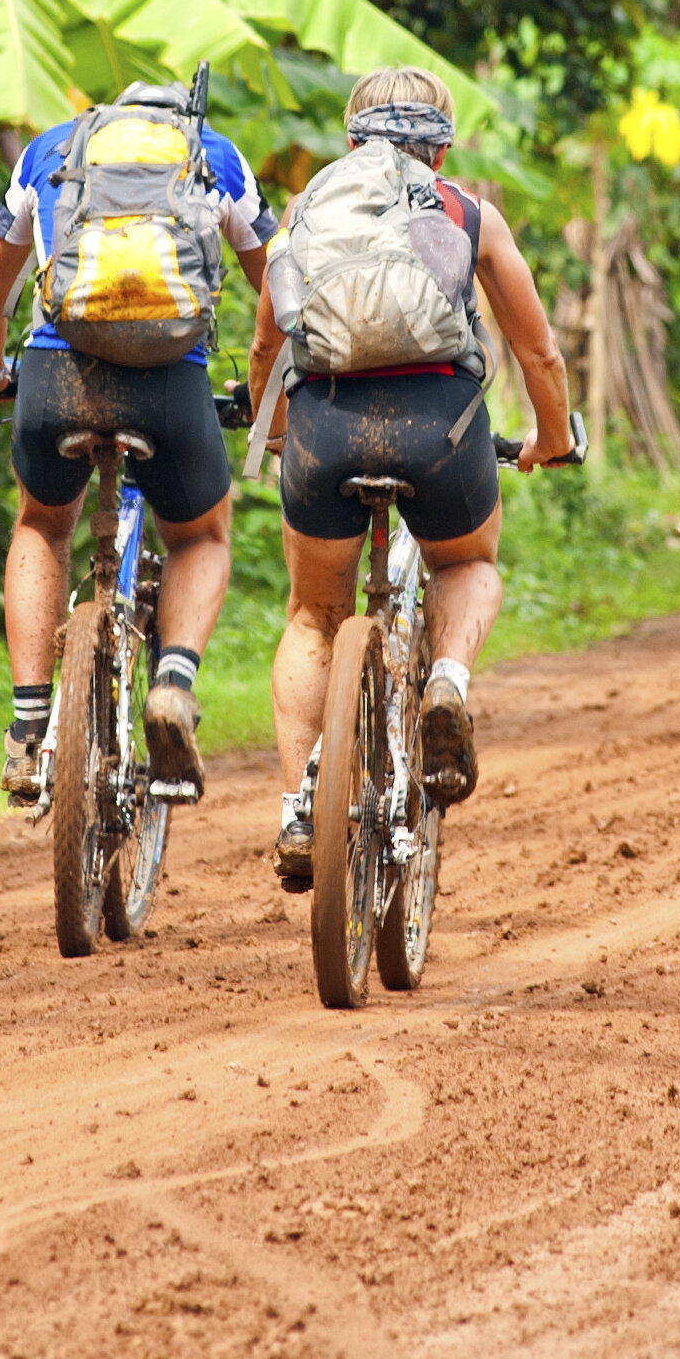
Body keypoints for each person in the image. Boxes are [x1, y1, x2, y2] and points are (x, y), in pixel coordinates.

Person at [241, 67, 577, 891]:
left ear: (352, 142)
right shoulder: (470, 213)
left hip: (326, 424)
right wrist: (553, 439)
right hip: (442, 428)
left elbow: (263, 350)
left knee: (315, 616)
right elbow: (538, 351)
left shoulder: (307, 210)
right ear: (443, 146)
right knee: (465, 562)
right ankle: (449, 684)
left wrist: (280, 438)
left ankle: (298, 806)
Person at [0, 81, 273, 810]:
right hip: (171, 387)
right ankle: (172, 685)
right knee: (200, 538)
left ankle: (30, 725)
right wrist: (262, 391)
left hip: (56, 377)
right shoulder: (214, 155)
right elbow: (279, 292)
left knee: (42, 523)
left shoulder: (51, 151)